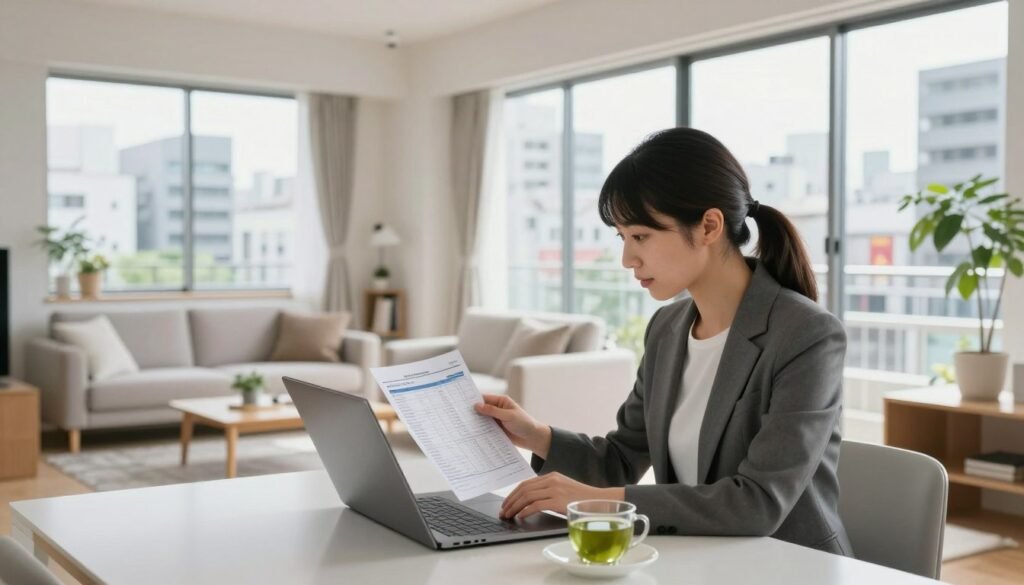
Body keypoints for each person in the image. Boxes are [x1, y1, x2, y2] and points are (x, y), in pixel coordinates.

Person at [475, 127, 852, 556]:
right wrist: (537, 435)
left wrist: (600, 502)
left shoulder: (807, 335)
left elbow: (759, 502)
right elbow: (622, 458)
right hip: (695, 558)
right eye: (623, 238)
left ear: (709, 225)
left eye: (641, 236)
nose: (627, 259)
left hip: (789, 565)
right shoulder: (667, 328)